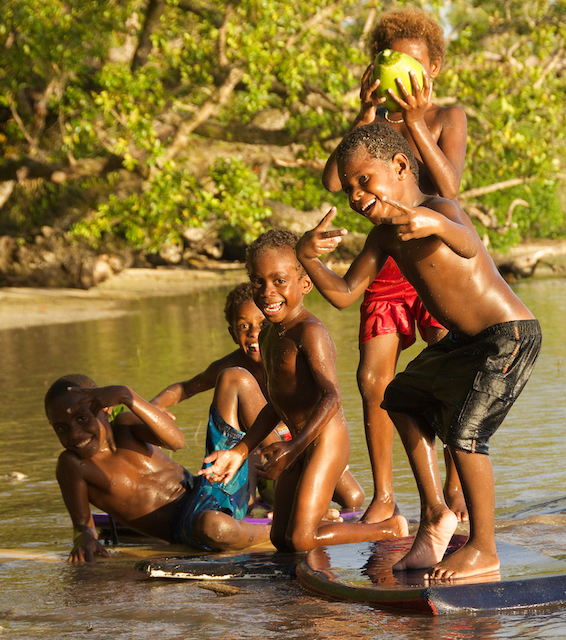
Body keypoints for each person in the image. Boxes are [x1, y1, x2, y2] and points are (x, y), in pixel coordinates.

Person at [296, 123, 541, 579]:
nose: (355, 194)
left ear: (401, 166)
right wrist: (307, 255)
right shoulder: (383, 238)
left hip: (508, 335)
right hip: (464, 344)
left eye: (363, 180)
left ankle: (484, 549)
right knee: (400, 397)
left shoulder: (438, 207)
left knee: (465, 436)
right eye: (348, 188)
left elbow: (469, 247)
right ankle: (434, 516)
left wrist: (436, 223)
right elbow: (347, 293)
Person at [321, 7, 468, 524]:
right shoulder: (373, 127)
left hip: (434, 258)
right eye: (394, 64)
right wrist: (365, 116)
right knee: (370, 378)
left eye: (416, 65)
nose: (405, 74)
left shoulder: (448, 116)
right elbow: (334, 183)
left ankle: (455, 487)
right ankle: (384, 498)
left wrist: (413, 121)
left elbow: (448, 189)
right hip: (387, 264)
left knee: (450, 366)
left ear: (434, 71)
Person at [199, 229, 408, 552]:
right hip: (297, 444)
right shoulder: (268, 337)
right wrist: (239, 452)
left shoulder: (310, 333)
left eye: (280, 281)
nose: (268, 292)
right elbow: (276, 405)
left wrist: (294, 447)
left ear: (305, 284)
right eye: (258, 282)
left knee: (301, 538)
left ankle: (388, 529)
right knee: (279, 538)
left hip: (325, 441)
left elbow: (332, 397)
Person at [151, 282, 365, 512]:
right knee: (239, 382)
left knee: (354, 499)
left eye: (262, 324)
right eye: (244, 326)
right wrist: (154, 405)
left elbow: (329, 397)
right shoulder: (232, 366)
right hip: (264, 455)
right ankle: (251, 502)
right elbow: (187, 387)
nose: (254, 333)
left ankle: (311, 510)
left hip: (302, 441)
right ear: (233, 333)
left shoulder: (287, 351)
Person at [46, 374, 269, 562]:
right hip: (189, 525)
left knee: (234, 377)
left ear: (105, 409)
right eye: (62, 428)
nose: (74, 434)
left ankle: (286, 459)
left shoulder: (125, 424)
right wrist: (85, 538)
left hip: (213, 481)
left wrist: (128, 396)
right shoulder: (73, 465)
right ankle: (274, 531)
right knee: (215, 527)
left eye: (83, 418)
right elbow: (82, 526)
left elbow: (177, 441)